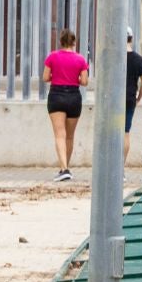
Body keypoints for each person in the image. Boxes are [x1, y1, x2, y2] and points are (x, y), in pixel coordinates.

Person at [40, 29, 89, 182]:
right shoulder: (81, 59)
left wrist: (57, 76)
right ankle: (65, 168)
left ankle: (64, 169)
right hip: (74, 97)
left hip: (57, 95)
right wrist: (73, 78)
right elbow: (84, 82)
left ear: (60, 42)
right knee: (70, 136)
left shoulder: (52, 57)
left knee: (59, 135)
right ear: (74, 42)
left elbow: (45, 77)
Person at [123, 27, 142, 165]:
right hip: (130, 99)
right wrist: (139, 97)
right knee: (125, 132)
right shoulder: (138, 59)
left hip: (113, 101)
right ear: (131, 39)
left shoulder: (113, 57)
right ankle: (121, 167)